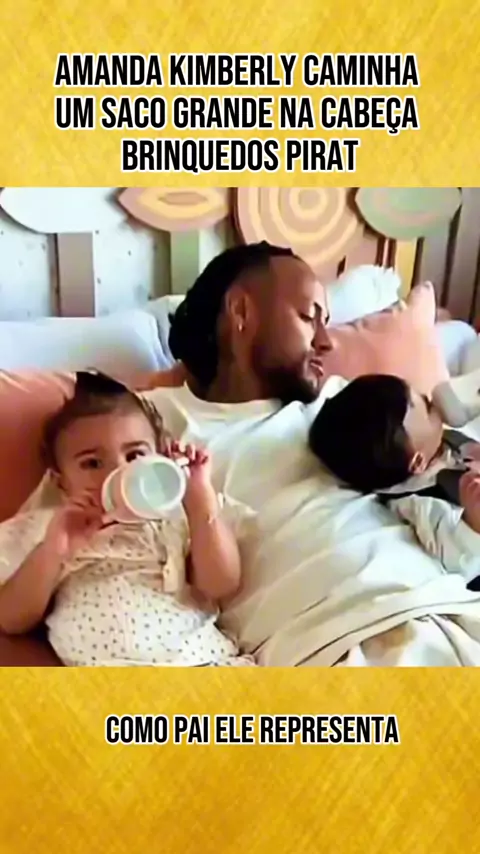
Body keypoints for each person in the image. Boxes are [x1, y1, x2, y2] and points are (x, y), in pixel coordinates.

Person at [143, 241, 480, 667]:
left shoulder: (349, 404)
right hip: (329, 646)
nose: (325, 341)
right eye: (309, 317)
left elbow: (438, 449)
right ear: (241, 311)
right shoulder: (152, 423)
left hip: (446, 605)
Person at [0, 371, 254, 667]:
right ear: (61, 482)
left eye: (134, 456)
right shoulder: (53, 529)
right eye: (92, 463)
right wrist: (52, 551)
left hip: (203, 664)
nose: (119, 472)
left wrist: (200, 500)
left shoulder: (176, 517)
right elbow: (10, 619)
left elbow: (221, 584)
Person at [308, 373, 480, 589]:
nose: (427, 395)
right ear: (418, 462)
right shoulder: (419, 503)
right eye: (427, 408)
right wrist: (473, 524)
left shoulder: (442, 443)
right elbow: (456, 559)